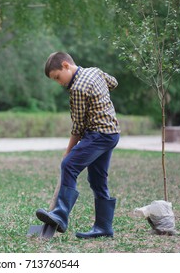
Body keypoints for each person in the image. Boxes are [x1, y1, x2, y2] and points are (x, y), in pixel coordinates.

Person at [36, 52, 120, 238]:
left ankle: (60, 215)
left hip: (98, 135)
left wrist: (68, 153)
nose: (59, 83)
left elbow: (79, 127)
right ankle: (104, 227)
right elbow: (113, 82)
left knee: (69, 165)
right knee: (98, 180)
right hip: (112, 134)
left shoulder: (78, 88)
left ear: (66, 65)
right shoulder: (95, 72)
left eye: (58, 77)